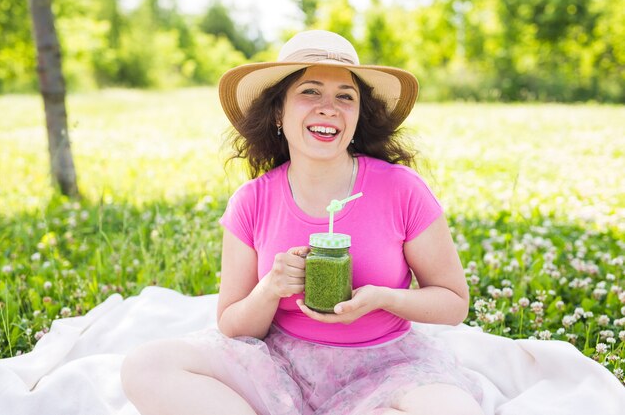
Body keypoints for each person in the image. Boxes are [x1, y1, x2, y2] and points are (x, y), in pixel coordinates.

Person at [121, 30, 484, 415]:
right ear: (278, 111)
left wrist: (383, 298)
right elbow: (232, 325)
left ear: (359, 116)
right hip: (280, 368)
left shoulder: (401, 189)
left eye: (346, 96)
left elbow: (453, 303)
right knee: (146, 366)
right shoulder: (252, 201)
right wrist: (270, 289)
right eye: (310, 91)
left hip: (388, 366)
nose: (329, 107)